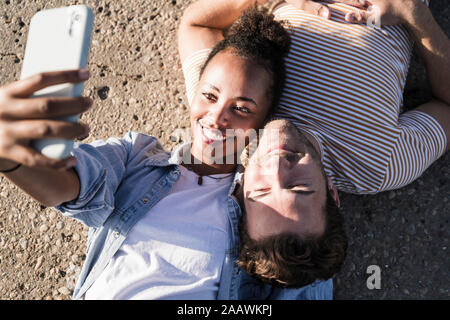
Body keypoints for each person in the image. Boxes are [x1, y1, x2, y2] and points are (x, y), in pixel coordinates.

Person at [0, 6, 334, 299]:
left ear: (262, 123)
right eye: (209, 95)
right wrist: (11, 158)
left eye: (243, 109)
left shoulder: (261, 217)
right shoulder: (136, 157)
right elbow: (69, 188)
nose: (217, 118)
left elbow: (306, 270)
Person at [180, 0, 449, 288]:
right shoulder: (379, 165)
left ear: (240, 193)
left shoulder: (227, 122)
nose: (277, 167)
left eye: (261, 190)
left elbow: (197, 25)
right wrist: (416, 16)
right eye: (299, 187)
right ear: (332, 194)